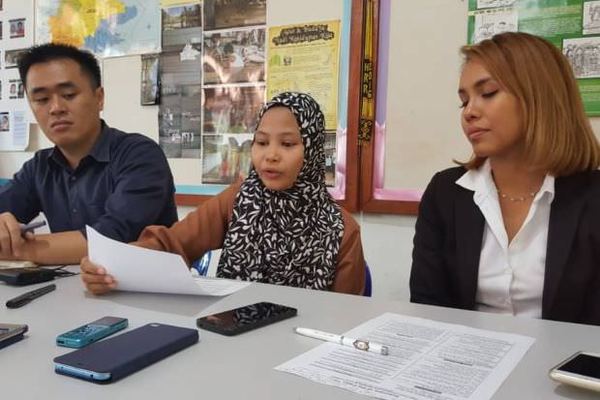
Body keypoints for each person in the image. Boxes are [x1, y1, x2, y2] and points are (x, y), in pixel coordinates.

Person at [81, 92, 366, 295]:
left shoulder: (341, 229)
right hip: (232, 341)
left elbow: (342, 318)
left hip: (302, 352)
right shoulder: (239, 200)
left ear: (313, 152)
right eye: (261, 142)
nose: (271, 156)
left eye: (288, 144)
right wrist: (114, 263)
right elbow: (173, 244)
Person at [410, 32, 600, 325]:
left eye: (488, 93)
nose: (470, 112)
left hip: (561, 367)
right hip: (466, 362)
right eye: (464, 101)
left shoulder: (592, 197)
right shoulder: (445, 192)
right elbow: (428, 306)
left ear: (539, 96)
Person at [0, 43, 178, 265]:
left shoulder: (140, 155)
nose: (56, 108)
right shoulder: (39, 167)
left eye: (68, 94)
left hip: (147, 293)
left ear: (99, 98)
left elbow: (110, 239)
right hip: (68, 291)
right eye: (42, 100)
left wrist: (18, 249)